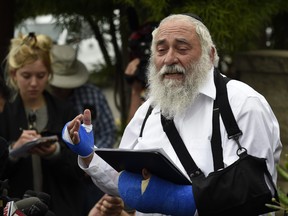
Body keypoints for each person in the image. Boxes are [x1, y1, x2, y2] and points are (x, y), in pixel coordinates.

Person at [62, 14, 282, 216]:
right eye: (161, 49)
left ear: (210, 54)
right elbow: (124, 183)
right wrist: (88, 154)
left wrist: (180, 200)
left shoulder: (243, 104)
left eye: (182, 48)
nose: (169, 59)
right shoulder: (148, 111)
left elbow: (255, 189)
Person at [0, 33, 85, 216]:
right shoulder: (5, 114)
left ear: (49, 75)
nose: (33, 83)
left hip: (60, 207)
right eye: (26, 76)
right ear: (14, 74)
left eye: (40, 76)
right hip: (16, 206)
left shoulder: (64, 111)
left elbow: (81, 167)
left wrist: (56, 152)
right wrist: (13, 151)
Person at [48, 44, 117, 214]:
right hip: (61, 177)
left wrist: (91, 158)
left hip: (94, 178)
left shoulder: (92, 94)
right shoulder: (45, 100)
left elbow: (108, 131)